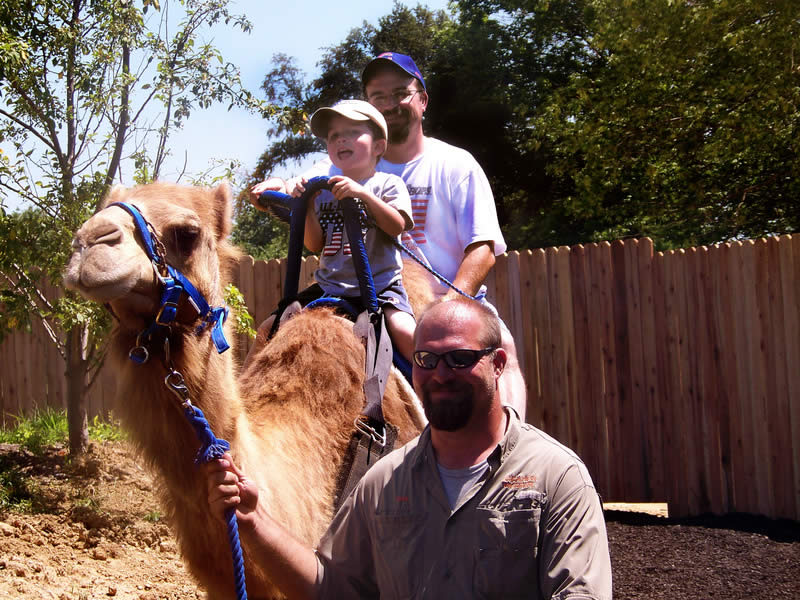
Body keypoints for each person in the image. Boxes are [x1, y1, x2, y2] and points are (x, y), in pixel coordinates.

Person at [206, 298, 613, 600]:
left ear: (498, 363)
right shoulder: (383, 482)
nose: (440, 374)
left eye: (459, 358)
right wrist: (255, 521)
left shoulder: (557, 478)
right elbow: (331, 587)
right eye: (426, 359)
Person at [251, 52, 528, 420]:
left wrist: (448, 309)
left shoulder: (455, 165)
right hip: (350, 289)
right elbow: (302, 188)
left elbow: (483, 249)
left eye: (401, 92)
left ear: (422, 100)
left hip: (429, 294)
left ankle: (507, 442)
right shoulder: (340, 163)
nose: (390, 103)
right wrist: (278, 187)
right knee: (273, 331)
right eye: (378, 96)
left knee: (498, 346)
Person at [255, 99, 417, 361]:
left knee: (407, 333)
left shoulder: (388, 184)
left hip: (379, 287)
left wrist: (363, 195)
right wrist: (306, 207)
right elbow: (314, 244)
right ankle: (244, 395)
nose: (342, 140)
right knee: (267, 330)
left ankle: (427, 393)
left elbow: (396, 225)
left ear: (378, 146)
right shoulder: (322, 191)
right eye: (334, 136)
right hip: (329, 286)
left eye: (353, 133)